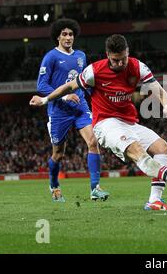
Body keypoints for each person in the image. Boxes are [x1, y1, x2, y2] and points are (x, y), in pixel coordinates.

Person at [30, 34, 167, 210]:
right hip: (105, 124)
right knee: (138, 152)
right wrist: (45, 100)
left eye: (123, 59)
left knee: (163, 148)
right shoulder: (94, 71)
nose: (120, 63)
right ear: (108, 55)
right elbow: (68, 87)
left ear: (127, 52)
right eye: (115, 60)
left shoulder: (137, 66)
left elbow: (158, 90)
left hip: (128, 122)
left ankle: (154, 200)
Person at [36, 18, 109, 202]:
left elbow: (84, 82)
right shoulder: (51, 57)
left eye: (71, 34)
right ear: (58, 37)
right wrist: (64, 95)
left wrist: (98, 94)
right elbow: (41, 85)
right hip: (59, 110)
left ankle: (95, 188)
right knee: (58, 154)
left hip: (80, 107)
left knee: (93, 141)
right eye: (64, 34)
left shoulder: (81, 56)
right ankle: (54, 185)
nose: (68, 37)